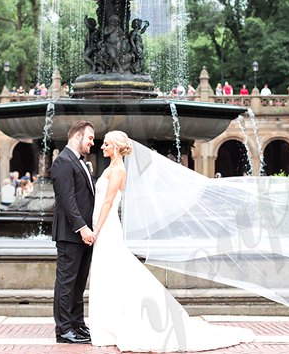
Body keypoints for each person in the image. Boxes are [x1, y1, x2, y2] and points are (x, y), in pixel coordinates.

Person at [88, 130, 252, 350]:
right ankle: (109, 324)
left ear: (116, 147)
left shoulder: (117, 170)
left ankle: (118, 323)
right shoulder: (113, 167)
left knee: (114, 270)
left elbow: (108, 203)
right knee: (109, 271)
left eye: (106, 144)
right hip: (105, 226)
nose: (102, 147)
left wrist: (96, 229)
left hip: (106, 227)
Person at [51, 120, 96, 344]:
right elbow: (68, 201)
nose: (92, 143)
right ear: (77, 136)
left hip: (85, 236)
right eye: (89, 138)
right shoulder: (62, 161)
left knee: (79, 283)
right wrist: (82, 228)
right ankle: (64, 329)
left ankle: (78, 324)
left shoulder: (81, 163)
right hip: (70, 234)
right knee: (66, 283)